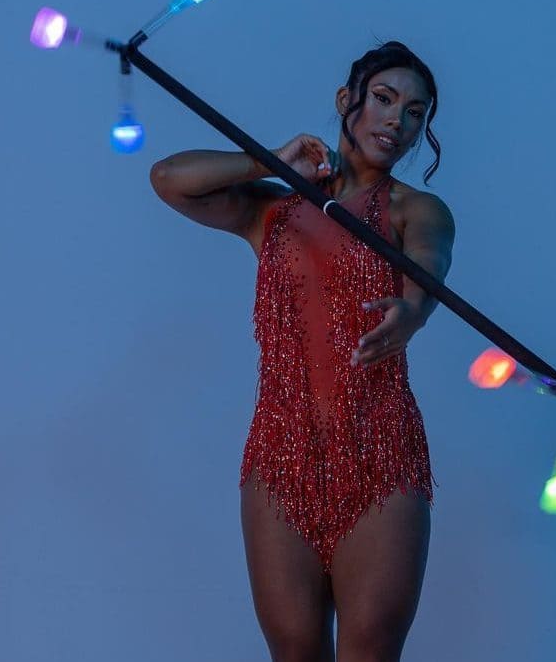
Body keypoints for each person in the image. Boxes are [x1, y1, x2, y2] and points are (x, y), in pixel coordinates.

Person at [150, 41, 455, 662]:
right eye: (384, 99)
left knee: (370, 649)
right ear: (347, 100)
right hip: (279, 453)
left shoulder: (417, 209)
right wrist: (267, 160)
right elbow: (169, 180)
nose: (397, 120)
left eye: (415, 112)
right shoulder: (273, 207)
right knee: (293, 650)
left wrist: (415, 310)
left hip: (379, 450)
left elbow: (429, 262)